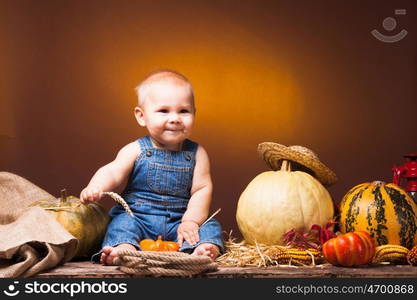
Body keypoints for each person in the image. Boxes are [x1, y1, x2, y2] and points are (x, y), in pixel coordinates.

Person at [80, 69, 224, 265]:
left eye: (184, 111)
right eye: (164, 111)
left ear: (194, 114)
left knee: (209, 226)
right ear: (141, 116)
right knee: (121, 224)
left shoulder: (197, 153)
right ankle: (124, 248)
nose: (175, 118)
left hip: (179, 221)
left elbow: (201, 189)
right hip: (138, 217)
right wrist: (96, 187)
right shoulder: (135, 149)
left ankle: (203, 249)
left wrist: (191, 221)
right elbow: (113, 171)